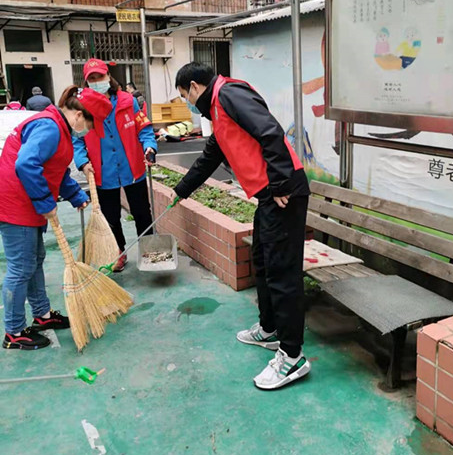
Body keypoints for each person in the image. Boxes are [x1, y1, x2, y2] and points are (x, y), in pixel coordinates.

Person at [166, 63, 311, 390]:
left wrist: (281, 184)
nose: (188, 104)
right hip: (269, 197)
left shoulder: (229, 93)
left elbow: (270, 131)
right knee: (261, 261)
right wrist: (181, 190)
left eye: (185, 96)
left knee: (282, 272)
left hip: (283, 194)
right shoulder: (217, 110)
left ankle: (292, 356)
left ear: (194, 86)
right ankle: (270, 329)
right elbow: (209, 157)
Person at [0, 86, 112, 350]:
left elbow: (56, 169)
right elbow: (25, 164)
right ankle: (13, 332)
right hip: (17, 204)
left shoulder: (59, 129)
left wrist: (75, 195)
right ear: (79, 115)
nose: (88, 131)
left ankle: (42, 315)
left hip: (26, 201)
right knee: (21, 267)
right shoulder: (50, 128)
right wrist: (44, 202)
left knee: (35, 260)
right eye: (90, 124)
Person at [74, 58, 157, 272]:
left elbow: (144, 128)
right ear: (86, 83)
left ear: (108, 77)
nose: (97, 81)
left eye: (99, 76)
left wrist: (149, 146)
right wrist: (83, 162)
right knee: (111, 217)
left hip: (132, 169)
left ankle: (148, 250)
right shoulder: (82, 110)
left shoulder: (129, 101)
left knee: (142, 213)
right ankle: (118, 252)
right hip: (103, 172)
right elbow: (77, 141)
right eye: (91, 79)